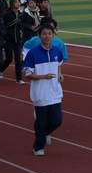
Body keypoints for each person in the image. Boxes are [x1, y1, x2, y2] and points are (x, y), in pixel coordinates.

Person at [22, 24, 64, 156]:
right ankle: (38, 146)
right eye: (44, 34)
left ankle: (45, 133)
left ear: (53, 35)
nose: (47, 36)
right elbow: (28, 75)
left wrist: (60, 74)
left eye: (49, 34)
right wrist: (43, 77)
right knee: (41, 121)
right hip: (40, 92)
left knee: (57, 120)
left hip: (55, 91)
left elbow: (59, 66)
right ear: (39, 35)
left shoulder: (57, 51)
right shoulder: (33, 53)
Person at [0, 0, 26, 84]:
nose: (18, 4)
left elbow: (22, 25)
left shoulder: (21, 15)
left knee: (18, 58)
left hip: (17, 39)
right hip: (8, 39)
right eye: (16, 2)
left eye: (19, 2)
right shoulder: (7, 15)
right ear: (12, 5)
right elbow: (3, 26)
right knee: (9, 58)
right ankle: (0, 70)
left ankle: (19, 78)